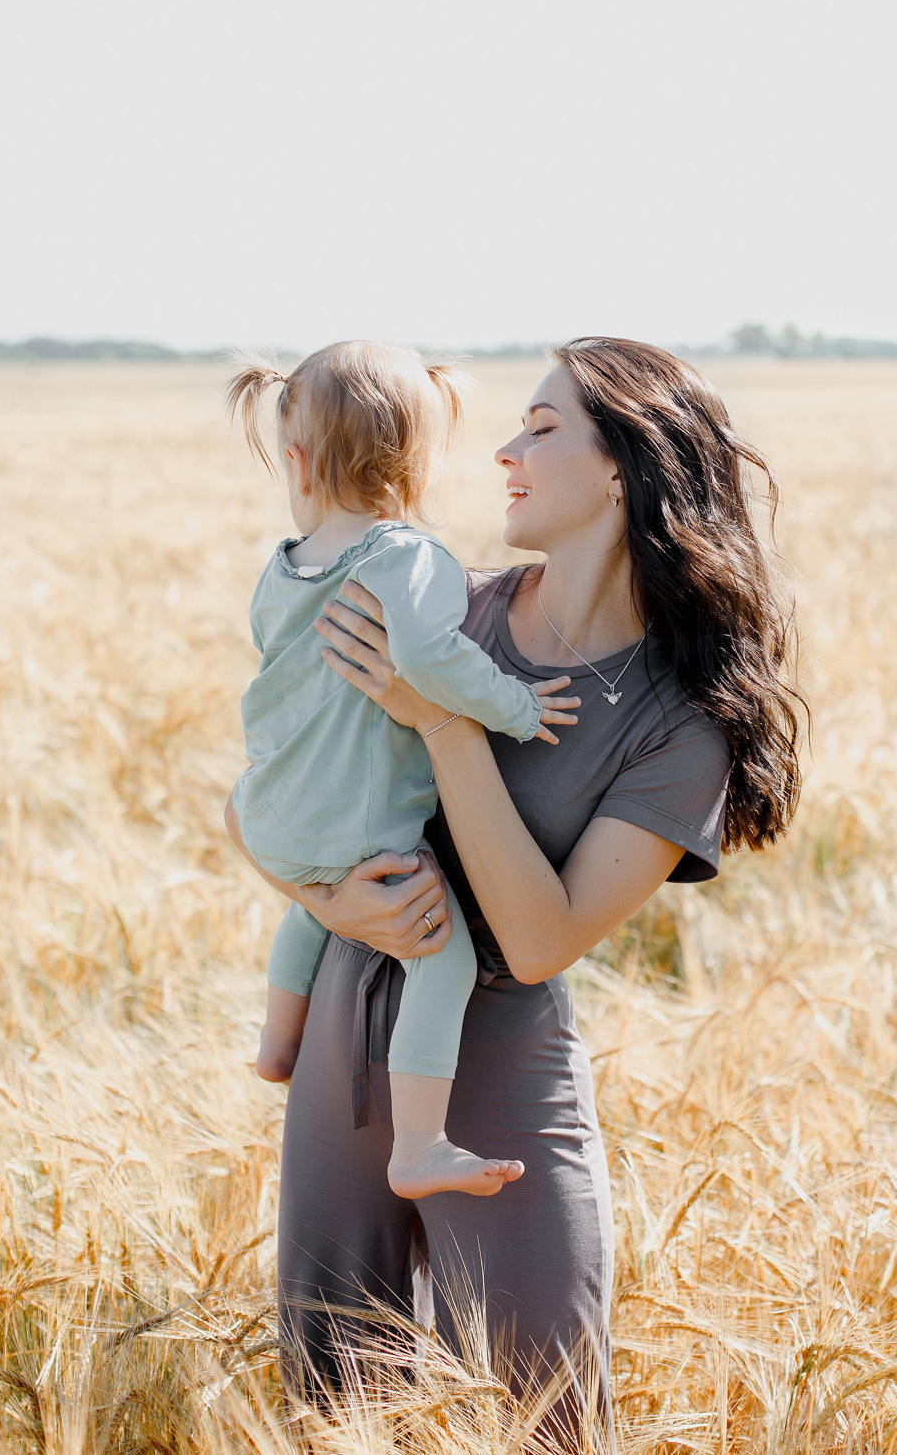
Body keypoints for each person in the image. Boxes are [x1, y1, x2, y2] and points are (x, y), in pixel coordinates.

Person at [224, 336, 804, 1426]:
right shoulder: (444, 608)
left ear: (621, 469)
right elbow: (263, 790)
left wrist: (443, 722)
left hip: (494, 1083)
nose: (503, 449)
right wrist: (329, 901)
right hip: (342, 1052)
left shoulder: (678, 724)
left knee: (540, 1414)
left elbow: (539, 938)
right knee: (329, 1407)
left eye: (541, 428)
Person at [223, 339, 577, 1200]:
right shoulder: (407, 558)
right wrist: (517, 707)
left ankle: (278, 1039)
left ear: (298, 463)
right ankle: (419, 1144)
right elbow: (429, 658)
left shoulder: (281, 569)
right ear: (418, 460)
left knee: (314, 907)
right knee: (444, 961)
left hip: (276, 811)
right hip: (363, 822)